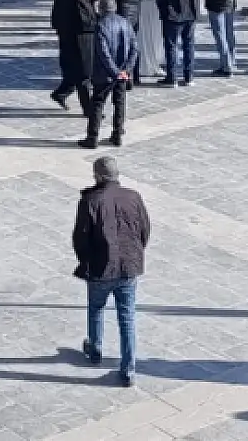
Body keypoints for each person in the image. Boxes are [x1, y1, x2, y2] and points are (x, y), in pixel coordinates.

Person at [72, 155, 150, 388]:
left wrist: (86, 262)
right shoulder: (134, 197)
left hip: (100, 268)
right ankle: (128, 369)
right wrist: (135, 254)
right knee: (127, 319)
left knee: (96, 308)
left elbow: (80, 238)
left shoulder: (90, 201)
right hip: (128, 268)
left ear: (97, 176)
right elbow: (145, 230)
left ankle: (95, 348)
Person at [82, 0, 137, 148]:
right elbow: (134, 48)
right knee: (119, 103)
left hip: (105, 73)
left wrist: (115, 72)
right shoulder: (125, 22)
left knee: (98, 103)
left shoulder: (100, 25)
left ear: (101, 9)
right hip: (122, 72)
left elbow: (103, 53)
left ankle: (92, 137)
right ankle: (117, 134)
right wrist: (126, 70)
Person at [154, 0, 202, 87]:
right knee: (189, 45)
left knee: (171, 46)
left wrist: (162, 7)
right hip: (190, 13)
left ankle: (172, 77)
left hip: (173, 14)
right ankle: (189, 76)